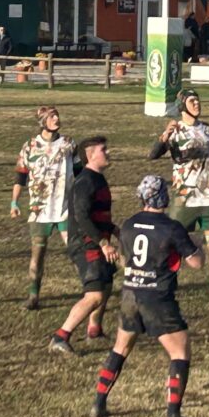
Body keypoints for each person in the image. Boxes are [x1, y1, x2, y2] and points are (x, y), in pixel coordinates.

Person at [91, 175, 204, 417]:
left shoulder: (129, 224)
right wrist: (198, 245)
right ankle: (173, 413)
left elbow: (124, 258)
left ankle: (98, 403)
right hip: (158, 298)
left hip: (131, 294)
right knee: (180, 352)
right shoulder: (172, 228)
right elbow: (196, 262)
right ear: (163, 196)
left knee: (120, 349)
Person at [149, 88, 209, 321]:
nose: (197, 103)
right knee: (168, 252)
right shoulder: (175, 130)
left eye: (198, 100)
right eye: (192, 101)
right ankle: (160, 296)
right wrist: (163, 137)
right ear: (182, 106)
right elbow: (153, 155)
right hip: (185, 201)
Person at [50, 136, 120, 353]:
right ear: (91, 155)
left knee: (106, 284)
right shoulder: (86, 181)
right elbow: (81, 216)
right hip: (86, 244)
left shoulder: (98, 179)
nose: (108, 153)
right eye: (103, 150)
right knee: (95, 295)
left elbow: (97, 214)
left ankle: (94, 328)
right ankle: (61, 337)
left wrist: (115, 231)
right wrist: (103, 243)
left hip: (97, 241)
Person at [12, 106, 78, 310]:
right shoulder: (30, 146)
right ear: (42, 122)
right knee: (37, 254)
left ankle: (91, 290)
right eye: (51, 116)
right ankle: (33, 296)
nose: (56, 118)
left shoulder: (68, 144)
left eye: (56, 115)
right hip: (39, 210)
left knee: (76, 251)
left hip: (65, 208)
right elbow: (20, 176)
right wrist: (14, 202)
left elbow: (80, 172)